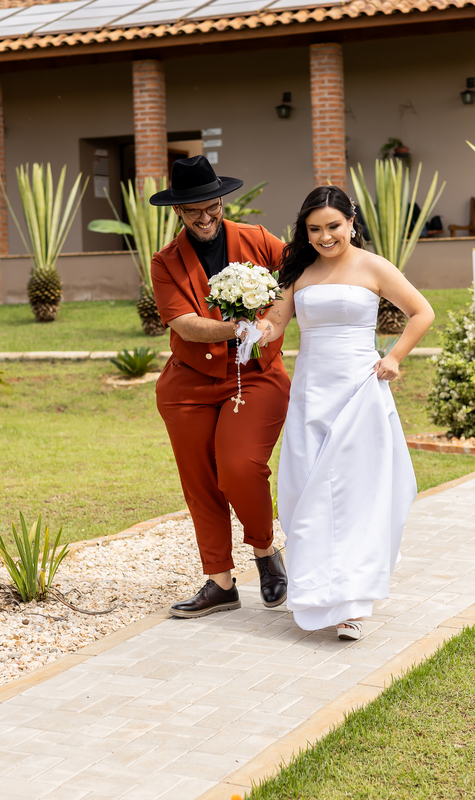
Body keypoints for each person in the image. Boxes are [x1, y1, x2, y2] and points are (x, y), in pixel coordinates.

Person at [253, 186, 434, 640]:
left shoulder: (373, 266)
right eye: (314, 229)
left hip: (359, 390)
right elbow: (276, 323)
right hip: (312, 393)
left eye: (333, 226)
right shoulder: (298, 271)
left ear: (351, 222)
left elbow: (421, 312)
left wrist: (393, 357)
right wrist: (254, 325)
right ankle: (315, 591)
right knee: (305, 494)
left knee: (354, 494)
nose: (325, 236)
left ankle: (352, 605)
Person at [149, 155, 290, 619]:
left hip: (254, 377)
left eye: (212, 206)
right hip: (187, 385)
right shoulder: (166, 261)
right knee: (200, 482)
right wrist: (236, 328)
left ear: (222, 199)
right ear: (178, 213)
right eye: (194, 211)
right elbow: (186, 325)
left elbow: (296, 279)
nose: (206, 217)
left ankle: (266, 550)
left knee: (238, 467)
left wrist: (267, 324)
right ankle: (220, 581)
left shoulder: (259, 240)